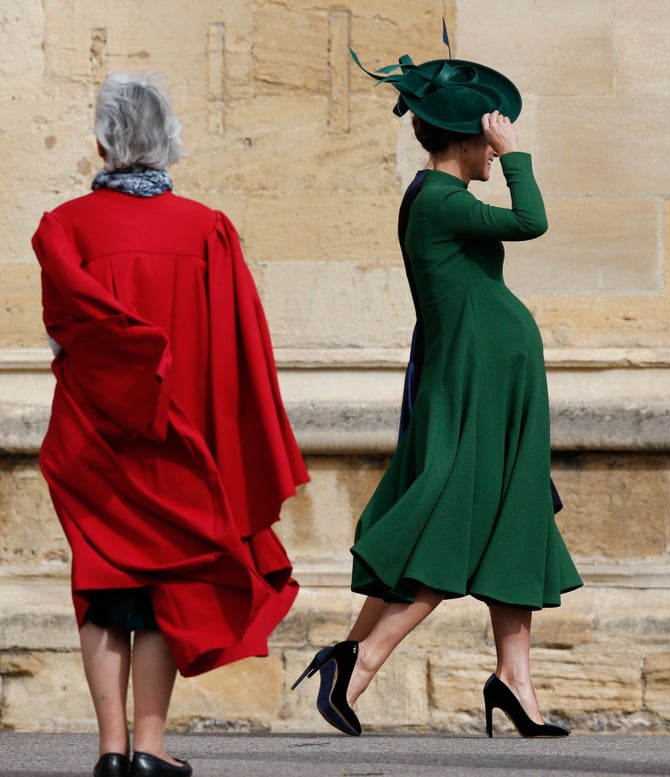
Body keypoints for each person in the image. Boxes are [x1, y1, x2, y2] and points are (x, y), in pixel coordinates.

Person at [291, 51, 581, 738]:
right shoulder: (444, 199)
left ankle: (516, 680)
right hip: (476, 379)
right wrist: (518, 156)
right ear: (465, 141)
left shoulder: (443, 198)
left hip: (493, 377)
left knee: (515, 515)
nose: (494, 147)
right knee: (456, 520)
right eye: (488, 138)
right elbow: (532, 220)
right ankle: (359, 660)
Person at [32, 73, 308, 777]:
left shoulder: (64, 227)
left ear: (101, 139)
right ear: (168, 143)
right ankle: (151, 748)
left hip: (95, 440)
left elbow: (65, 334)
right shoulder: (206, 229)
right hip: (181, 442)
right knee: (164, 589)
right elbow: (240, 348)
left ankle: (111, 751)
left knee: (102, 583)